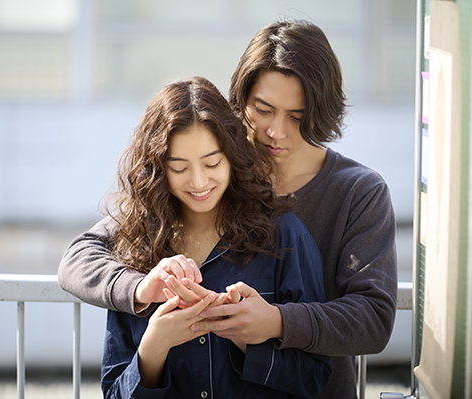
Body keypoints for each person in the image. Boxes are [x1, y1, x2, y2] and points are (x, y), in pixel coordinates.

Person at [58, 19, 398, 399]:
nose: (277, 132)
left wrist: (275, 321)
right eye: (263, 109)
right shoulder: (210, 172)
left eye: (298, 117)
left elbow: (374, 318)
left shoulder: (357, 192)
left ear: (323, 110)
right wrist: (140, 291)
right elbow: (82, 255)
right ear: (242, 100)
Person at [97, 76, 330, 398]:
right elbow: (114, 393)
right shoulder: (136, 246)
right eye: (179, 168)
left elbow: (314, 378)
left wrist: (246, 336)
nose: (198, 181)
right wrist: (154, 345)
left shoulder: (283, 235)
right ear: (156, 168)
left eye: (212, 163)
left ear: (232, 156)